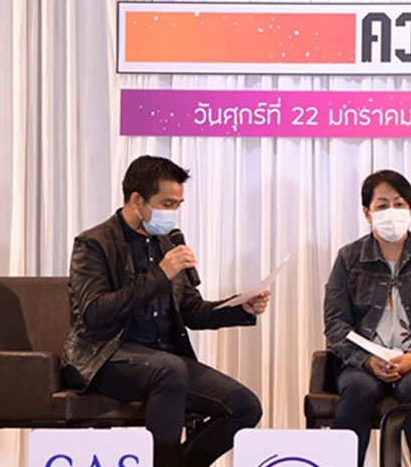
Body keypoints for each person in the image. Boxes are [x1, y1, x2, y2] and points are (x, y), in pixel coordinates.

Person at [63, 156, 269, 467]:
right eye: (167, 204)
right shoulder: (94, 243)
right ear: (137, 200)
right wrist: (160, 275)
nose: (172, 213)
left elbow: (192, 311)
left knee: (244, 406)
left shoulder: (166, 244)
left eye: (178, 205)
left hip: (165, 362)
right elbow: (94, 313)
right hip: (106, 356)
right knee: (169, 369)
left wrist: (240, 307)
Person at [324, 170, 411, 467]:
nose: (392, 212)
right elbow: (335, 323)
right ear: (367, 212)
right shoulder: (349, 257)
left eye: (399, 204)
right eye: (382, 205)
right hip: (363, 363)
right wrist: (367, 361)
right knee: (357, 388)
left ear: (410, 209)